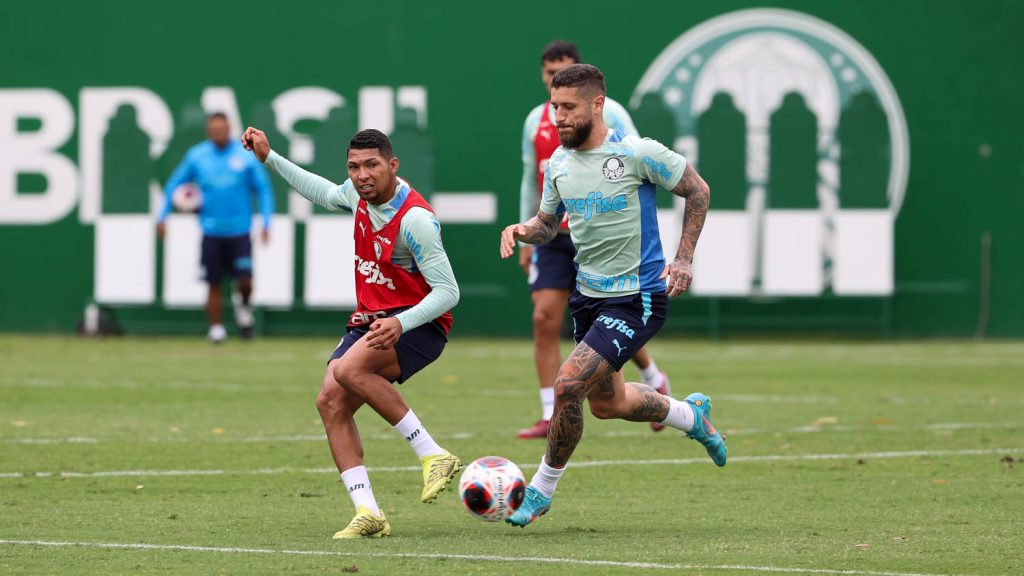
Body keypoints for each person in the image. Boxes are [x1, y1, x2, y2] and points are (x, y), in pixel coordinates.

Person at [499, 64, 726, 528]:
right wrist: (522, 230)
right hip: (588, 297)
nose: (558, 117)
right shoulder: (558, 163)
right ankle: (690, 415)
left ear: (597, 105)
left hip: (637, 297)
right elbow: (548, 226)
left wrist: (683, 260)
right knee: (607, 404)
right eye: (554, 107)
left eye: (568, 108)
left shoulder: (637, 153)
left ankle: (541, 489)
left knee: (567, 385)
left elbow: (698, 191)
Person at [241, 126, 462, 539]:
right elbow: (322, 191)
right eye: (354, 167)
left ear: (393, 166)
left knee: (345, 370)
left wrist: (400, 322)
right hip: (372, 318)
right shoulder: (357, 196)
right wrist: (270, 157)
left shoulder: (415, 220)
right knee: (329, 402)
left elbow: (449, 292)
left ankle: (433, 454)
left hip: (418, 323)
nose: (362, 175)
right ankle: (368, 512)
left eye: (372, 165)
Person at [516, 40, 671, 439]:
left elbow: (636, 168)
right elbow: (530, 177)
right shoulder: (536, 121)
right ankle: (550, 411)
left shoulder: (612, 112)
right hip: (554, 233)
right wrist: (525, 233)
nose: (555, 80)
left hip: (607, 235)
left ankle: (653, 376)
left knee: (612, 316)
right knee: (543, 319)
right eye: (549, 73)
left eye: (562, 70)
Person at [158, 112, 273, 343]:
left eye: (222, 129)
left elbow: (263, 188)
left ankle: (244, 309)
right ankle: (216, 329)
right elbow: (174, 184)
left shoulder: (245, 155)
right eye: (214, 130)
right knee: (213, 282)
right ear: (209, 131)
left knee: (245, 281)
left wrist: (267, 221)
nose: (219, 133)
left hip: (240, 230)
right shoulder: (197, 156)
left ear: (229, 128)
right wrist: (162, 216)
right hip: (210, 231)